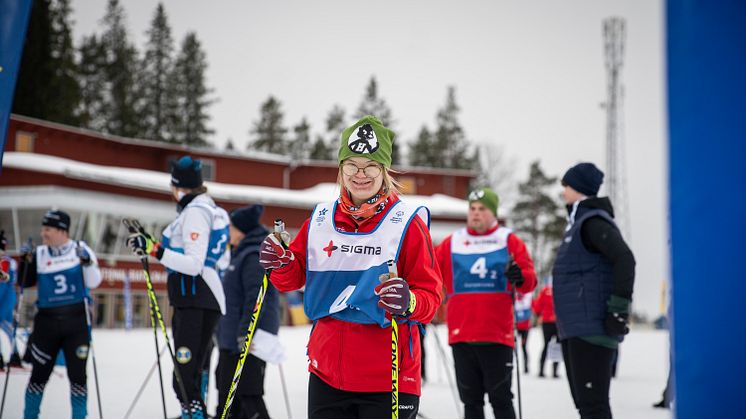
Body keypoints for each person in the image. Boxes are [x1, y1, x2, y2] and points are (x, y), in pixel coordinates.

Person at [259, 115, 442, 419]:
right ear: (341, 169)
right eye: (352, 165)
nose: (360, 174)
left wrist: (408, 301)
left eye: (370, 165)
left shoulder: (407, 224)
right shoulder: (319, 221)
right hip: (327, 374)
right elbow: (290, 279)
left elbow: (431, 298)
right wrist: (281, 261)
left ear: (384, 171)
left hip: (389, 376)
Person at [126, 155, 230, 419]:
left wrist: (155, 250)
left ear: (177, 186)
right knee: (193, 372)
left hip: (195, 297)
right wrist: (152, 244)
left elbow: (195, 263)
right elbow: (220, 258)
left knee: (184, 378)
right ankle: (194, 415)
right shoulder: (212, 210)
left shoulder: (195, 212)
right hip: (203, 297)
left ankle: (194, 415)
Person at [434, 187, 537, 419]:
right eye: (472, 209)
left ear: (493, 213)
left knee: (501, 401)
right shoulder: (453, 242)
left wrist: (520, 276)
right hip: (462, 335)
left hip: (497, 336)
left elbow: (529, 282)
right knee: (471, 403)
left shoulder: (509, 241)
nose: (476, 214)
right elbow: (428, 272)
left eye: (482, 209)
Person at [553, 162, 636, 419]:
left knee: (594, 406)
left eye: (566, 185)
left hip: (591, 330)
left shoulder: (593, 222)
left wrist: (618, 309)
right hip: (575, 328)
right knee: (586, 406)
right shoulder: (577, 223)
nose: (563, 191)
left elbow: (625, 258)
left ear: (578, 188)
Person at [18, 210, 102, 419]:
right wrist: (25, 261)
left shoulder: (80, 249)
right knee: (38, 376)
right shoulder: (40, 253)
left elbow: (94, 281)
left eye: (47, 229)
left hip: (76, 324)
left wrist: (87, 263)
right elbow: (24, 282)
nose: (42, 233)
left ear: (62, 231)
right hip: (47, 324)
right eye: (43, 228)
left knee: (78, 378)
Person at [216, 204, 280, 419]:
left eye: (231, 228)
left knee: (247, 394)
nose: (228, 233)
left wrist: (246, 333)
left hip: (247, 340)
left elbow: (255, 299)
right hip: (231, 339)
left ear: (241, 230)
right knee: (227, 395)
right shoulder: (239, 253)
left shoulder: (253, 256)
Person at [0, 230, 20, 370]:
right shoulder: (9, 260)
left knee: (5, 326)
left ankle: (13, 356)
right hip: (7, 296)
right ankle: (15, 355)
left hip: (5, 297)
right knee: (7, 327)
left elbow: (3, 284)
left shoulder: (5, 261)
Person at [532, 277, 559, 378]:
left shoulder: (545, 291)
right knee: (557, 346)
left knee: (546, 345)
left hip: (547, 322)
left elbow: (537, 307)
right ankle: (555, 371)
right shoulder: (560, 290)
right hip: (558, 322)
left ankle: (541, 370)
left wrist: (537, 310)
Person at [514, 291, 533, 374]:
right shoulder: (514, 295)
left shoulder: (528, 296)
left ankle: (526, 367)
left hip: (524, 327)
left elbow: (534, 307)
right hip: (515, 326)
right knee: (512, 347)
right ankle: (511, 365)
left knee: (524, 347)